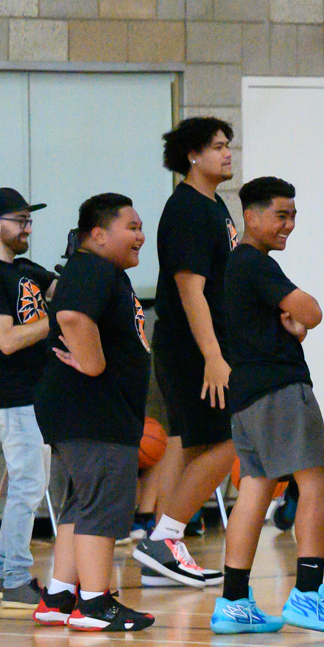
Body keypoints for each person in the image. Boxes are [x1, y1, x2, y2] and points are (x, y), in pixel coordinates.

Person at [208, 177, 324, 637]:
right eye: (281, 215)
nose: (289, 225)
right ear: (251, 217)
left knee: (256, 487)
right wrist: (301, 320)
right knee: (318, 479)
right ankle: (308, 594)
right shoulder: (256, 264)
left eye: (293, 215)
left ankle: (234, 601)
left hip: (246, 395)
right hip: (278, 390)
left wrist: (291, 329)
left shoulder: (236, 267)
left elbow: (283, 324)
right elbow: (312, 312)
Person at [31, 195, 154, 633]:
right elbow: (71, 315)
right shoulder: (94, 268)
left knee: (82, 504)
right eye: (132, 227)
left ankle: (60, 596)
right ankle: (95, 603)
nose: (141, 236)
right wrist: (94, 363)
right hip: (94, 411)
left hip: (81, 411)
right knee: (101, 505)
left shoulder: (99, 270)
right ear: (98, 235)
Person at [132, 116, 235, 590]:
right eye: (217, 146)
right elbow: (190, 290)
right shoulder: (189, 209)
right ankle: (165, 537)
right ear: (192, 155)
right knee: (231, 440)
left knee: (190, 445)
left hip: (200, 344)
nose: (227, 153)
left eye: (227, 145)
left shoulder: (215, 205)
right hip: (191, 347)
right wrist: (213, 355)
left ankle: (161, 554)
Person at [0, 187, 54, 609]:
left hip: (36, 392)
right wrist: (55, 321)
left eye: (29, 220)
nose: (27, 228)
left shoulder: (24, 269)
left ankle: (0, 573)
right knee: (28, 483)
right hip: (13, 393)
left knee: (31, 482)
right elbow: (6, 340)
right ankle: (16, 577)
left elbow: (65, 289)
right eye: (19, 220)